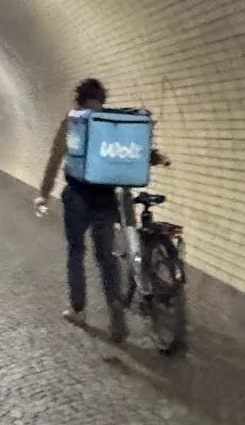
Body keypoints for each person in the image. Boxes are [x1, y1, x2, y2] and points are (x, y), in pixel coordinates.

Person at [35, 78, 169, 341]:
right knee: (106, 258)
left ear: (78, 98)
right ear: (102, 98)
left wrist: (43, 195)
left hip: (77, 197)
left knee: (76, 252)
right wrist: (157, 158)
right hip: (106, 199)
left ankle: (78, 310)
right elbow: (131, 151)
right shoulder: (110, 121)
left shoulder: (73, 122)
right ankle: (117, 322)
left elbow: (55, 158)